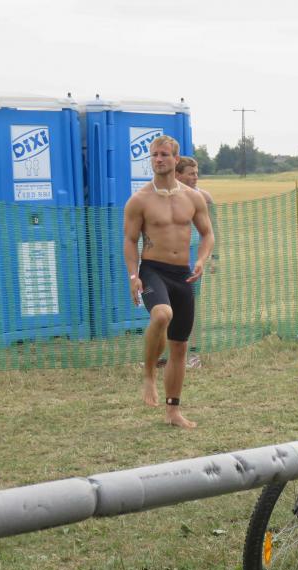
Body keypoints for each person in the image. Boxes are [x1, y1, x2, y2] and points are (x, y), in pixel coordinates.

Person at [123, 135, 214, 429]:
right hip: (153, 270)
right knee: (162, 314)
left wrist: (201, 260)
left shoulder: (193, 198)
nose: (158, 159)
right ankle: (149, 373)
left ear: (176, 159)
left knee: (180, 347)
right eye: (154, 155)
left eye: (164, 154)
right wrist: (134, 276)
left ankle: (173, 411)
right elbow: (130, 240)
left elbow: (207, 234)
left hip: (182, 274)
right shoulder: (139, 200)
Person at [175, 155, 217, 368]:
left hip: (193, 258)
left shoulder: (204, 198)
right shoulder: (166, 196)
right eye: (191, 174)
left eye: (197, 173)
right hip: (168, 258)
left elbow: (213, 230)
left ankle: (193, 354)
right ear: (178, 175)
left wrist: (213, 258)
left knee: (191, 307)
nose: (195, 177)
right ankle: (165, 353)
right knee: (165, 306)